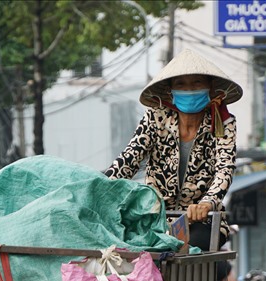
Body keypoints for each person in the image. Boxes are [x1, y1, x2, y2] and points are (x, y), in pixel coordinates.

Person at [104, 47, 242, 254]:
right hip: (155, 218)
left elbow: (225, 169)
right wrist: (101, 187)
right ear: (171, 91)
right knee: (121, 250)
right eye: (181, 84)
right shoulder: (155, 118)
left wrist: (207, 203)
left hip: (203, 221)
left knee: (188, 251)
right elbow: (129, 159)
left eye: (197, 82)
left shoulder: (223, 122)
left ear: (210, 87)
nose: (189, 89)